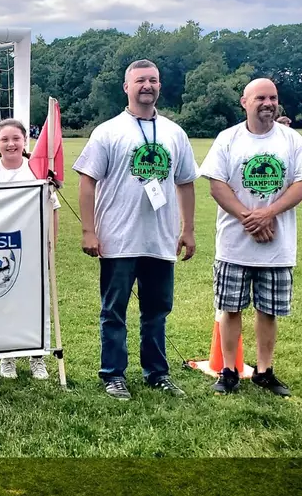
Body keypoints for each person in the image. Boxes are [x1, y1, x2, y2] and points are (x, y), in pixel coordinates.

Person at [72, 59, 197, 400]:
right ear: (126, 87)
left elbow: (185, 183)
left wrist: (187, 229)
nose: (147, 85)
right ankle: (113, 374)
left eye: (153, 80)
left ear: (160, 86)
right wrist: (89, 230)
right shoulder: (108, 131)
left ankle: (157, 373)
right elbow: (87, 182)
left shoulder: (174, 133)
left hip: (160, 238)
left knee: (156, 311)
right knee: (113, 311)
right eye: (140, 80)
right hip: (118, 237)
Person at [199, 78, 302, 396]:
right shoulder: (228, 139)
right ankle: (229, 371)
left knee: (268, 311)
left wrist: (268, 214)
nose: (268, 103)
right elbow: (216, 185)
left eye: (273, 98)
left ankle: (265, 372)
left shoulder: (291, 140)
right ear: (245, 102)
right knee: (230, 308)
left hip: (276, 246)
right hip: (233, 244)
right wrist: (248, 217)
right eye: (260, 98)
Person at [0, 119, 59, 380]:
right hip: (1, 248)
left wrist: (51, 246)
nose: (11, 144)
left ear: (26, 140)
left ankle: (37, 357)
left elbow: (52, 208)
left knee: (35, 302)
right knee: (5, 302)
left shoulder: (36, 170)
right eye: (5, 139)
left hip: (33, 246)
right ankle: (7, 356)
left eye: (16, 138)